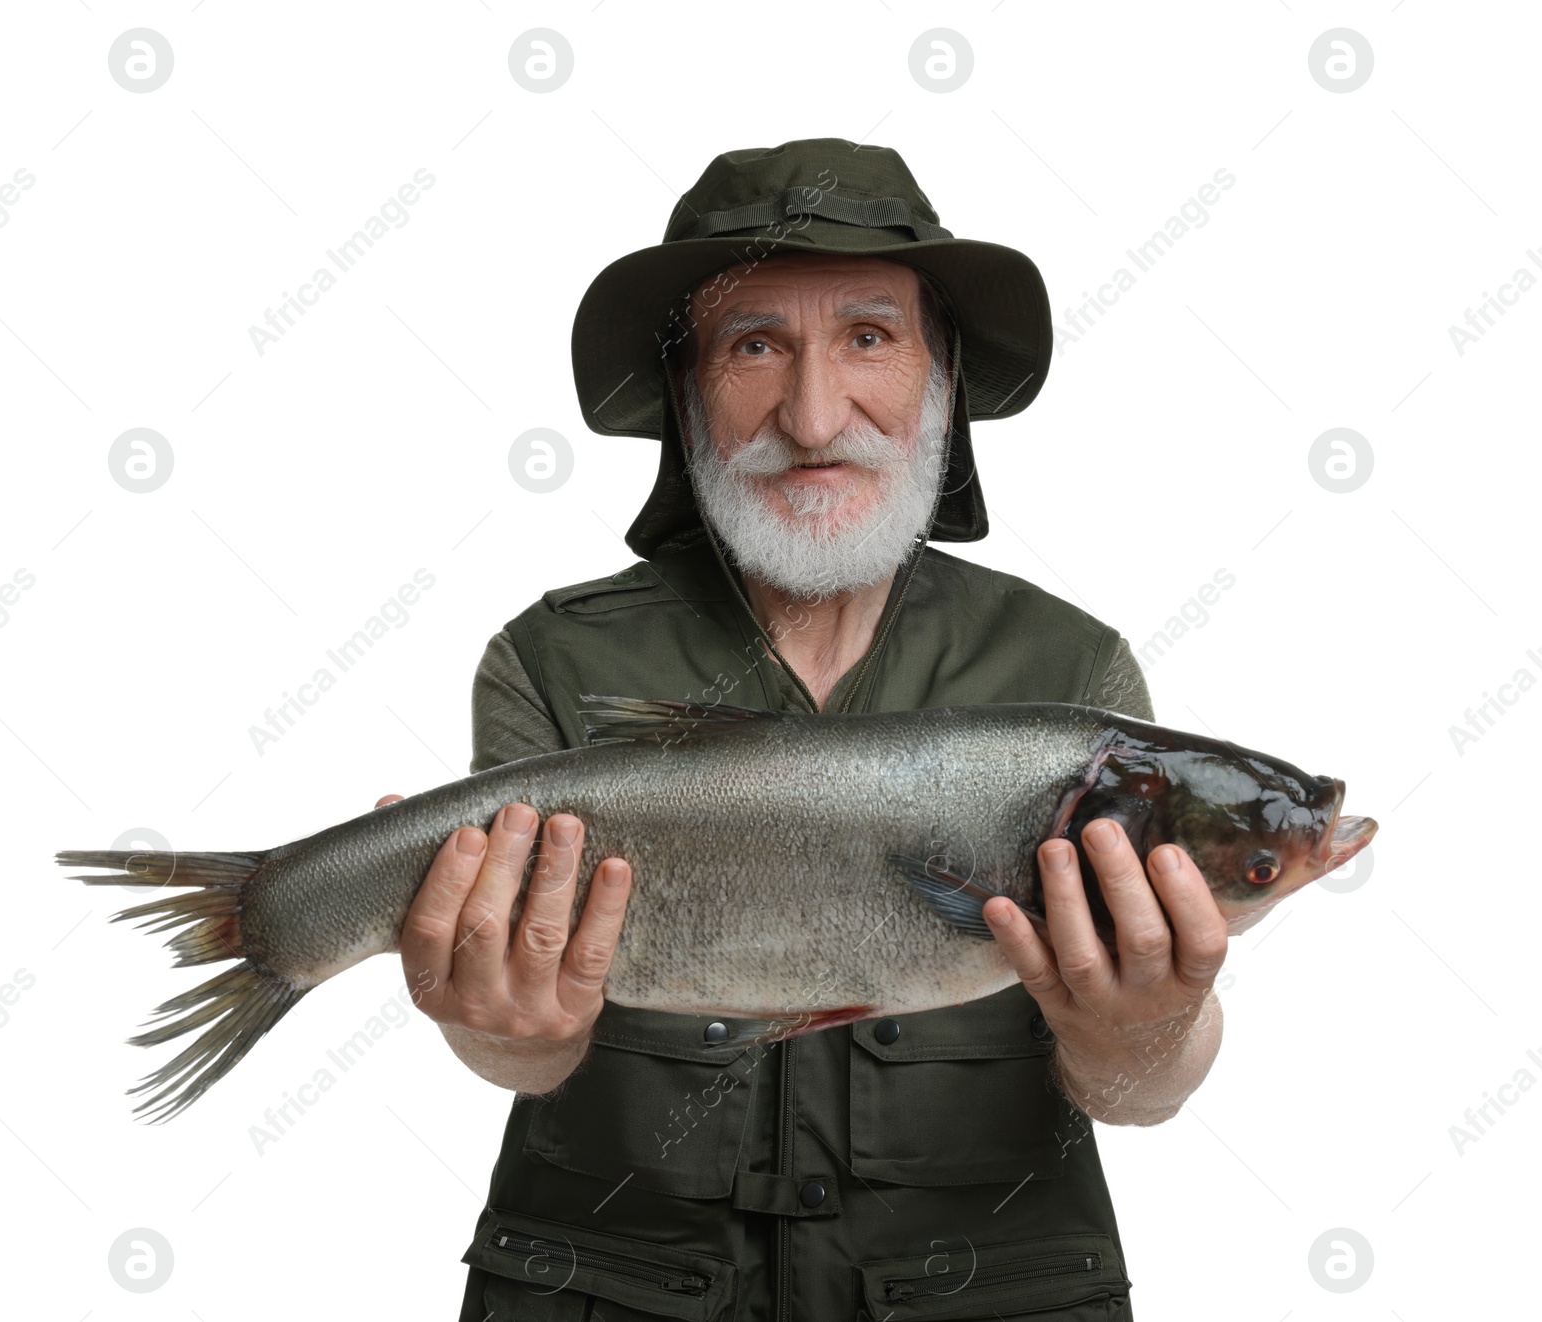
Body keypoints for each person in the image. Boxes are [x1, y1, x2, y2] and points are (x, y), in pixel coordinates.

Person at [383, 139, 1227, 1320]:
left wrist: (1152, 1022)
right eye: (755, 345)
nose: (815, 411)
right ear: (688, 395)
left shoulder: (1072, 673)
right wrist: (507, 1028)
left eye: (869, 337)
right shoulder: (550, 659)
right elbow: (520, 1056)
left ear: (943, 383)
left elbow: (1135, 1091)